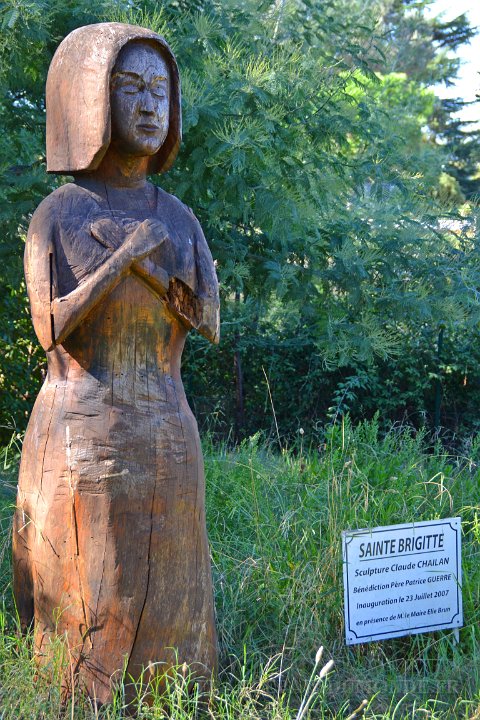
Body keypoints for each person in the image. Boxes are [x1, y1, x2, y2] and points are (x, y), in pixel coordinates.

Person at [12, 22, 219, 705]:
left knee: (174, 599)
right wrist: (119, 260)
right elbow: (51, 330)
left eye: (160, 90)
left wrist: (157, 271)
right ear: (87, 100)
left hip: (168, 425)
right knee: (92, 597)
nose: (150, 106)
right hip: (84, 432)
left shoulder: (181, 217)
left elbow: (208, 322)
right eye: (130, 88)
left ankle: (180, 699)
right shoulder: (60, 215)